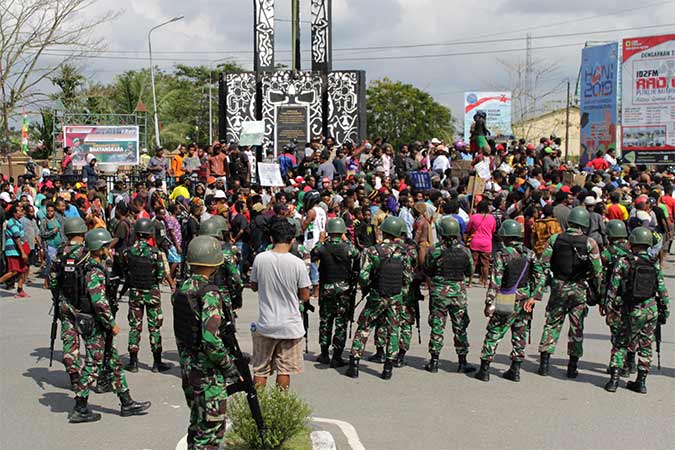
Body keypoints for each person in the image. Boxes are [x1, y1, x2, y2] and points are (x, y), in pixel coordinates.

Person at [69, 228, 150, 423]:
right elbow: (99, 302)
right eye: (106, 246)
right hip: (97, 324)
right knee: (93, 365)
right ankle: (80, 407)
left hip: (97, 324)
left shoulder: (93, 265)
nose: (109, 249)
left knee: (113, 363)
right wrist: (111, 323)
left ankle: (126, 402)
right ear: (98, 248)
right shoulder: (94, 271)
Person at [172, 235, 237, 447]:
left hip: (189, 368)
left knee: (197, 423)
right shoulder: (209, 293)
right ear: (216, 263)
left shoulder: (182, 289)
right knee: (211, 430)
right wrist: (228, 366)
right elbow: (210, 339)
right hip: (208, 373)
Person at [475, 220, 544, 382]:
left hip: (506, 298)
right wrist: (534, 296)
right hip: (525, 299)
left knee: (494, 332)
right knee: (520, 334)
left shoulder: (502, 255)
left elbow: (495, 282)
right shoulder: (530, 253)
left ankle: (484, 370)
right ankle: (516, 370)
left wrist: (489, 303)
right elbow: (540, 277)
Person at [346, 216, 415, 380]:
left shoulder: (373, 251)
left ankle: (354, 365)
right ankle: (388, 369)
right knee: (393, 330)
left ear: (383, 231)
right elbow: (408, 278)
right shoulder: (404, 253)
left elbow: (363, 276)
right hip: (395, 296)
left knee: (364, 327)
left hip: (377, 295)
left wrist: (367, 287)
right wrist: (401, 294)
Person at [537, 206, 603, 378]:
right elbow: (598, 271)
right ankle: (572, 367)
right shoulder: (590, 243)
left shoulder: (555, 239)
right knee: (577, 328)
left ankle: (544, 364)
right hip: (579, 289)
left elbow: (543, 263)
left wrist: (542, 286)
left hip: (558, 287)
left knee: (552, 323)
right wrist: (600, 292)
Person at [604, 227, 670, 394]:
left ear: (632, 242)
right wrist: (665, 310)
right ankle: (641, 382)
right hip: (651, 309)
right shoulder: (654, 262)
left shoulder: (624, 261)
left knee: (621, 343)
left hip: (630, 309)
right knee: (646, 345)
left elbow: (613, 287)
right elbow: (662, 289)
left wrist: (609, 307)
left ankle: (614, 380)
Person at [250, 219, 311, 389]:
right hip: (290, 326)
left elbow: (254, 286)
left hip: (266, 324)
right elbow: (305, 295)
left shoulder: (260, 259)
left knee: (260, 370)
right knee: (284, 371)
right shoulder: (298, 263)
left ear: (271, 238)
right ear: (292, 240)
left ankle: (258, 408)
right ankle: (280, 406)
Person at [423, 217, 475, 373]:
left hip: (439, 292)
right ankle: (462, 361)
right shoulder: (465, 250)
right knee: (460, 327)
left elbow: (427, 269)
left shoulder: (434, 250)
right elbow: (470, 271)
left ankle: (434, 361)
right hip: (458, 293)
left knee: (437, 326)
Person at [310, 218, 359, 368]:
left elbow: (313, 255)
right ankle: (337, 355)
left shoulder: (322, 247)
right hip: (344, 289)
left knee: (325, 320)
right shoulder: (348, 248)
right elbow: (357, 256)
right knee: (341, 322)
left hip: (327, 288)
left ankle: (324, 353)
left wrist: (320, 240)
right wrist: (347, 240)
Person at [123, 218, 170, 373]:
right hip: (152, 293)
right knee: (154, 328)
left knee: (134, 327)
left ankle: (133, 362)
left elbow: (125, 271)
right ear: (150, 234)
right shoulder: (155, 253)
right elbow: (161, 275)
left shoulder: (128, 252)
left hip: (135, 293)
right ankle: (157, 363)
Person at [48, 217, 88, 389]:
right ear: (81, 232)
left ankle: (74, 377)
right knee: (93, 341)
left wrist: (57, 296)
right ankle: (97, 378)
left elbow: (52, 278)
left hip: (64, 302)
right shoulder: (86, 252)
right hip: (85, 304)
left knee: (69, 341)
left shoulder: (60, 251)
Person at [600, 220, 634, 377]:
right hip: (633, 299)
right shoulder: (632, 249)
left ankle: (618, 364)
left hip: (615, 298)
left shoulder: (607, 252)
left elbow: (601, 276)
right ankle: (630, 362)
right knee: (631, 331)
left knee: (617, 333)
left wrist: (603, 301)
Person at [199, 216, 243, 313]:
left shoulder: (196, 249)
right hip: (221, 295)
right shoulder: (225, 251)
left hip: (198, 294)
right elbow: (236, 279)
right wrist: (237, 297)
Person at [465, 199, 496, 287]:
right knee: (485, 264)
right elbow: (493, 230)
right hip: (486, 243)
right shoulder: (491, 218)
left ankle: (470, 282)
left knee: (473, 263)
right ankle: (485, 283)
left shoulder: (474, 217)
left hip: (475, 242)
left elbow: (468, 229)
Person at [0, 203, 29, 297]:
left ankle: (20, 290)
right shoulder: (12, 222)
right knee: (14, 271)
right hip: (13, 250)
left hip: (18, 250)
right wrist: (23, 252)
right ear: (14, 213)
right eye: (20, 210)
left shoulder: (18, 222)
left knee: (23, 269)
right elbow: (17, 238)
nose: (22, 211)